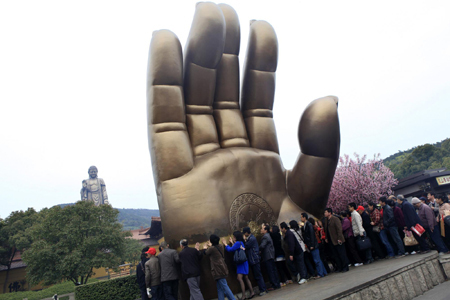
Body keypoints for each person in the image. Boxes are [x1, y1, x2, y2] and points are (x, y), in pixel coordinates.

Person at [202, 234, 236, 300]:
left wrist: (204, 247)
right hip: (222, 267)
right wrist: (211, 245)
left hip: (217, 270)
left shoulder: (211, 249)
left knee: (225, 286)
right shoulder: (220, 246)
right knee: (219, 288)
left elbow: (205, 253)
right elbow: (214, 248)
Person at [224, 231, 255, 300]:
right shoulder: (241, 242)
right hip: (244, 262)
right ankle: (252, 292)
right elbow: (237, 248)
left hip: (241, 263)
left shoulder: (238, 243)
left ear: (236, 237)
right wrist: (232, 242)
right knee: (246, 278)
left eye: (233, 236)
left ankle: (243, 296)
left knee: (239, 278)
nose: (233, 237)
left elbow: (230, 249)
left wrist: (226, 244)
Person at [323, 208, 349, 273]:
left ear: (329, 213)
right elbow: (326, 230)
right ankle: (339, 267)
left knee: (341, 253)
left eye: (326, 212)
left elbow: (339, 229)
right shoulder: (326, 220)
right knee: (335, 255)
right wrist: (326, 237)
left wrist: (339, 238)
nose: (325, 213)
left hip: (337, 239)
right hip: (331, 240)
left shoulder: (335, 219)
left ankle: (345, 266)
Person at [301, 213, 327, 278]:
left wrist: (312, 245)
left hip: (313, 245)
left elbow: (312, 235)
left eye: (301, 217)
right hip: (312, 244)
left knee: (316, 260)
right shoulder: (306, 225)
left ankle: (320, 273)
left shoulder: (309, 225)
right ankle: (323, 272)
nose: (301, 218)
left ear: (304, 217)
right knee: (318, 259)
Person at [242, 227, 267, 296]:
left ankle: (263, 290)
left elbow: (246, 246)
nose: (244, 235)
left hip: (254, 259)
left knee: (258, 275)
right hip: (253, 259)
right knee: (257, 275)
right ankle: (263, 289)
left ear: (247, 233)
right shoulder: (251, 238)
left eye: (244, 233)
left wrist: (244, 240)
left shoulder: (251, 239)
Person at [259, 224, 281, 290]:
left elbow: (262, 246)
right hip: (271, 256)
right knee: (273, 270)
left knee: (270, 271)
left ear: (265, 230)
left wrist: (259, 250)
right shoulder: (268, 235)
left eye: (262, 228)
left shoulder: (265, 237)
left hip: (268, 256)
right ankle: (277, 283)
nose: (261, 230)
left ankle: (274, 285)